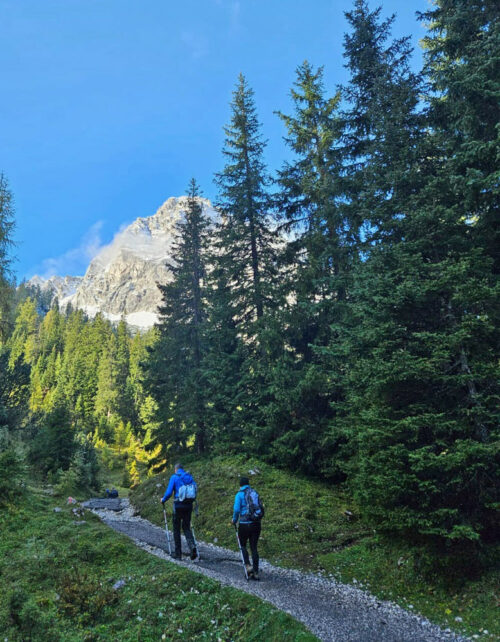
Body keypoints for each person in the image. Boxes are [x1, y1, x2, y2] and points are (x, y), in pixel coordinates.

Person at [161, 462, 197, 560]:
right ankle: (192, 547)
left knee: (176, 529)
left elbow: (169, 493)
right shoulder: (189, 477)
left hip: (178, 506)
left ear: (176, 469)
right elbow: (195, 490)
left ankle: (178, 554)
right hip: (188, 505)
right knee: (186, 527)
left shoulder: (174, 477)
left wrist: (163, 500)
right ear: (183, 469)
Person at [232, 476, 262, 580]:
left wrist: (234, 520)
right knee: (254, 547)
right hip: (256, 523)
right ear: (248, 484)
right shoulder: (254, 493)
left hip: (244, 524)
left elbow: (236, 510)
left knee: (243, 545)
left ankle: (248, 565)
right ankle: (256, 572)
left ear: (240, 485)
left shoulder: (239, 495)